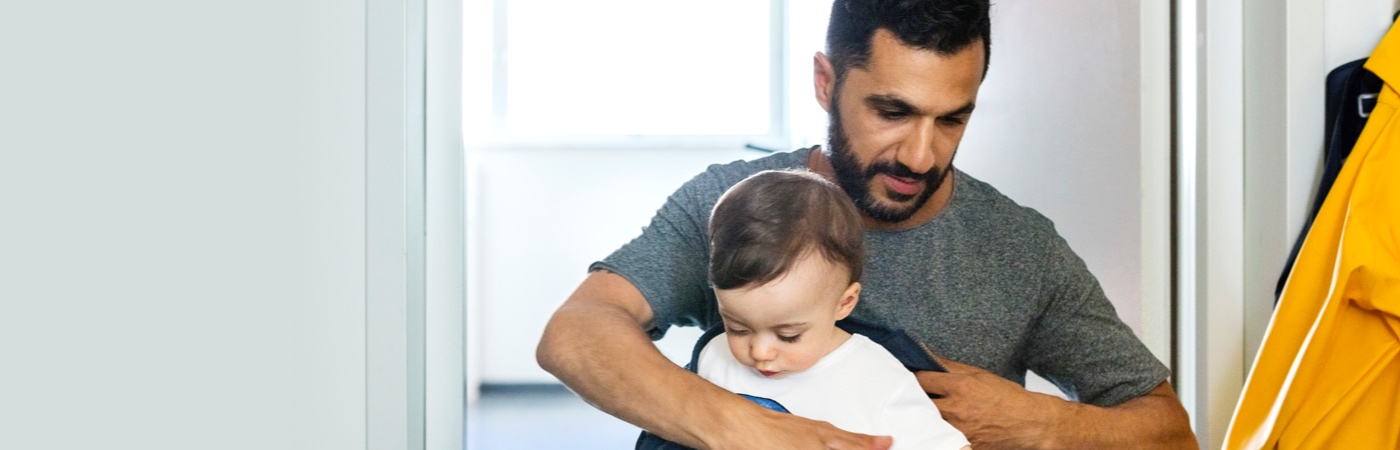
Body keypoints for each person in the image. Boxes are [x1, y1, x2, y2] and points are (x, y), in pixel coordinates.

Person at [537, 1, 1197, 448]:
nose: (920, 155)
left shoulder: (1022, 249)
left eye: (951, 119)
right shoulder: (737, 204)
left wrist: (1043, 423)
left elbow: (1169, 429)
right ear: (826, 83)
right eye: (892, 112)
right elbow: (576, 332)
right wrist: (748, 427)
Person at [638, 169, 969, 450]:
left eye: (789, 335)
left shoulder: (877, 378)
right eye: (738, 327)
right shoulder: (715, 355)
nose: (761, 352)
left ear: (844, 303)